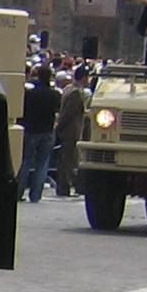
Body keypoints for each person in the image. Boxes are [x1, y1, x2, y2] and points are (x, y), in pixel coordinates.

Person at [19, 64, 62, 202]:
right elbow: (57, 111)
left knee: (25, 161)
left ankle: (19, 192)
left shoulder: (30, 94)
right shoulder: (55, 94)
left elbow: (24, 111)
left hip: (31, 129)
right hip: (48, 130)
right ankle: (36, 195)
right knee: (42, 163)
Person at [53, 67, 89, 198]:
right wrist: (60, 127)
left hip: (68, 130)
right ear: (84, 78)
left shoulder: (68, 89)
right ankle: (64, 187)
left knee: (66, 159)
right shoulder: (75, 93)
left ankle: (64, 186)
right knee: (68, 160)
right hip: (71, 131)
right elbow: (68, 113)